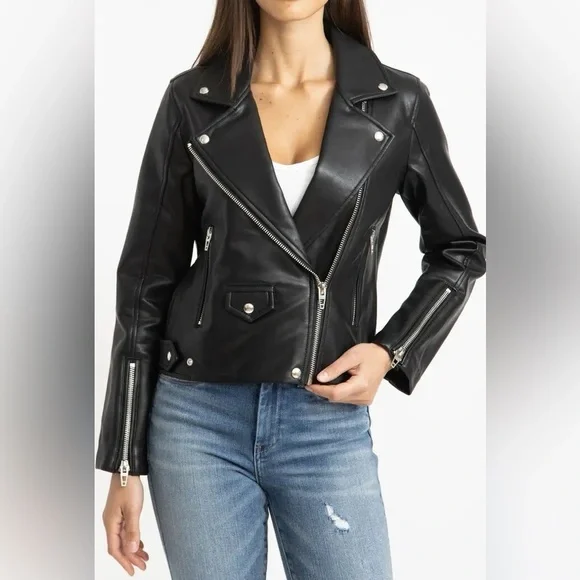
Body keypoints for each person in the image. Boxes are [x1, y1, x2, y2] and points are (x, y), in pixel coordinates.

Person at [97, 1, 486, 578]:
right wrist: (125, 461)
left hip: (324, 420)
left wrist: (391, 351)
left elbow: (460, 250)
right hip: (196, 420)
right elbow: (145, 282)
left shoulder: (397, 102)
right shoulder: (192, 100)